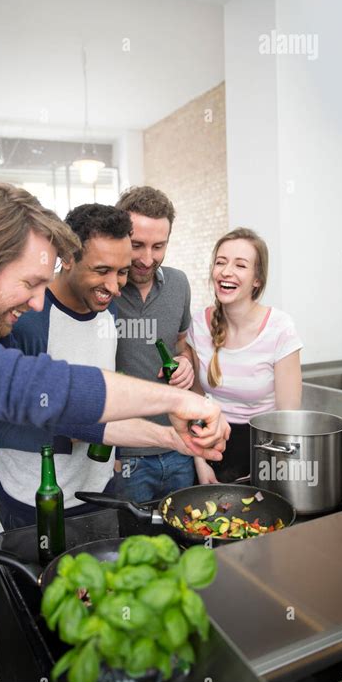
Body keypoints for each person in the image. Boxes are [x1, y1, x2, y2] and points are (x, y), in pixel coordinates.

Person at [0, 183, 229, 682]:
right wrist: (179, 399)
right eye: (29, 282)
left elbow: (66, 416)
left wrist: (172, 439)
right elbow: (28, 387)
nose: (34, 302)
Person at [0, 203, 208, 528]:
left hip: (100, 492)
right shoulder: (28, 319)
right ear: (68, 257)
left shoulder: (109, 311)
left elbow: (105, 394)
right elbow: (3, 419)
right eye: (101, 270)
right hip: (36, 499)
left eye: (122, 272)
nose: (114, 286)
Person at [186, 227, 302, 484]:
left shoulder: (280, 328)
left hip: (265, 447)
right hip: (211, 448)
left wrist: (267, 466)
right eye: (220, 262)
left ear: (257, 279)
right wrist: (200, 462)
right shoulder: (199, 325)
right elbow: (192, 402)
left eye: (240, 265)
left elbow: (288, 417)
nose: (226, 271)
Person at [113, 186, 196, 503]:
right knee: (134, 547)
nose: (148, 259)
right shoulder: (103, 290)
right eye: (137, 245)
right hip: (125, 456)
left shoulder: (179, 284)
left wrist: (186, 363)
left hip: (178, 445)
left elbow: (181, 346)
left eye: (158, 246)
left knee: (184, 541)